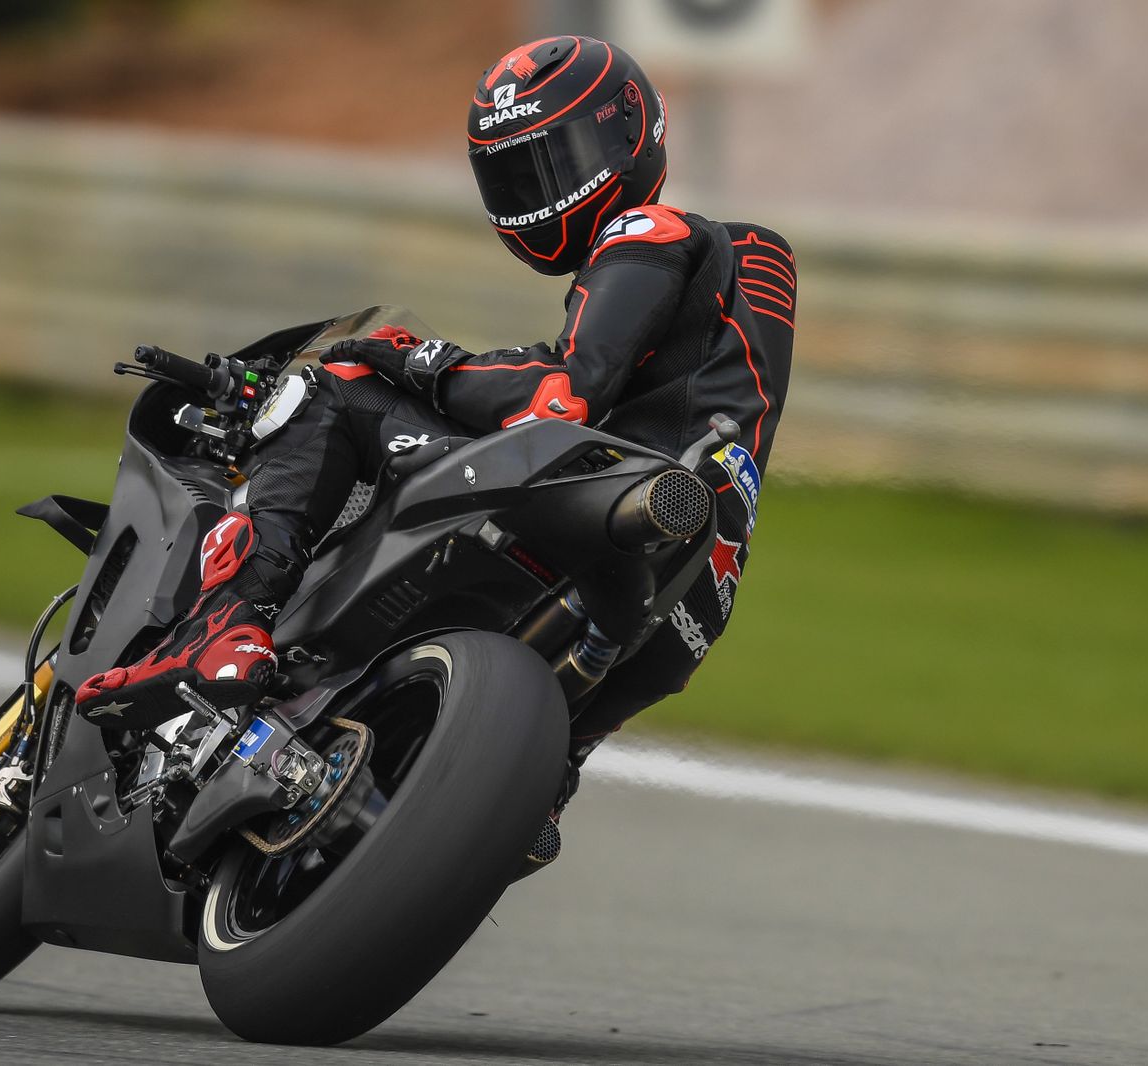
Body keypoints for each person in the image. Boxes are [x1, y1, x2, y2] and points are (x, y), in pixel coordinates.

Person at [75, 35, 794, 868]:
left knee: (341, 381)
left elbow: (566, 392)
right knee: (517, 799)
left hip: (603, 504)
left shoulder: (652, 228)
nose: (539, 194)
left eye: (559, 161)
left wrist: (419, 358)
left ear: (629, 128)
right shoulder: (727, 334)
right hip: (689, 612)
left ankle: (228, 627)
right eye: (517, 175)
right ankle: (519, 782)